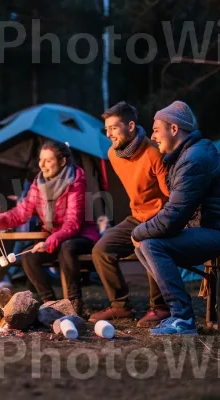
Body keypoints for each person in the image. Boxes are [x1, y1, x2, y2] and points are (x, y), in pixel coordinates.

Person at [132, 101, 220, 335]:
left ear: (174, 129)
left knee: (151, 244)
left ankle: (182, 319)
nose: (153, 136)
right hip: (218, 228)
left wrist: (138, 231)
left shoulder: (193, 159)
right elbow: (177, 212)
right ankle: (177, 314)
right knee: (145, 246)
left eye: (157, 129)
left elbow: (173, 217)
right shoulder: (189, 154)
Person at [0, 141, 100, 314]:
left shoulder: (75, 182)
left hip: (81, 235)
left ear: (62, 161)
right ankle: (50, 302)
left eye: (48, 161)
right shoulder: (38, 183)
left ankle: (74, 303)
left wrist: (49, 242)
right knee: (29, 257)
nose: (42, 165)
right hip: (54, 237)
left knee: (66, 247)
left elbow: (73, 224)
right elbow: (20, 213)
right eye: (41, 160)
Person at [89, 102, 171, 327]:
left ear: (131, 125)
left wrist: (161, 223)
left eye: (114, 128)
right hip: (137, 216)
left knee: (150, 245)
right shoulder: (113, 155)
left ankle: (160, 307)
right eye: (106, 129)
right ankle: (120, 306)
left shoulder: (154, 152)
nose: (109, 134)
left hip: (160, 218)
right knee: (101, 249)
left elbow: (171, 196)